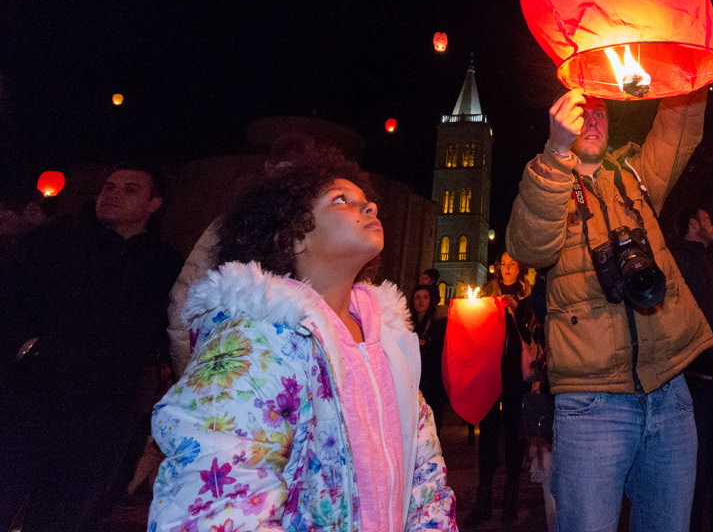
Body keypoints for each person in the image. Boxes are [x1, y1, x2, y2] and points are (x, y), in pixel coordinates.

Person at [149, 151, 456, 531]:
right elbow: (220, 498)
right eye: (342, 200)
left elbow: (425, 475)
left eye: (368, 201)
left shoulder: (391, 344)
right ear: (293, 236)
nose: (369, 206)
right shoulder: (254, 342)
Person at [506, 88, 713, 532]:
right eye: (584, 113)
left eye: (601, 113)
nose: (594, 121)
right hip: (591, 403)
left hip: (669, 392)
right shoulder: (547, 179)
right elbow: (527, 246)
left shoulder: (634, 177)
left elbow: (680, 127)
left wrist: (689, 69)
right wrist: (556, 151)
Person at [0, 166, 182, 532]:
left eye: (130, 189)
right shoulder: (58, 241)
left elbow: (171, 327)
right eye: (109, 187)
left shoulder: (164, 263)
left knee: (69, 507)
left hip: (106, 407)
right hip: (35, 392)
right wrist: (25, 349)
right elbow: (11, 300)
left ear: (153, 204)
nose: (113, 194)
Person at [165, 133, 318, 375]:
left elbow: (183, 302)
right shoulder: (233, 223)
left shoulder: (233, 222)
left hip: (234, 369)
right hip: (266, 371)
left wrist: (190, 374)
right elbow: (185, 300)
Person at [668, 206, 713, 532]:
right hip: (696, 381)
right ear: (694, 224)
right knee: (694, 469)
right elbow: (686, 315)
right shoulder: (678, 261)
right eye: (709, 220)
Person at [465, 252, 534, 527]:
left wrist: (517, 307)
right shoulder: (487, 291)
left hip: (515, 373)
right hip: (490, 370)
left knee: (514, 431)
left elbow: (532, 327)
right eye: (503, 264)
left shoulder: (527, 294)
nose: (506, 268)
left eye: (512, 264)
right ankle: (483, 497)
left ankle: (511, 496)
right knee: (489, 432)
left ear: (520, 267)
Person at [413, 284, 449, 432]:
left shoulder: (438, 320)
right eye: (417, 298)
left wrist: (426, 343)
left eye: (425, 297)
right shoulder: (406, 320)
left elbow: (442, 345)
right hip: (415, 376)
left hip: (432, 376)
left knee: (433, 417)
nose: (421, 301)